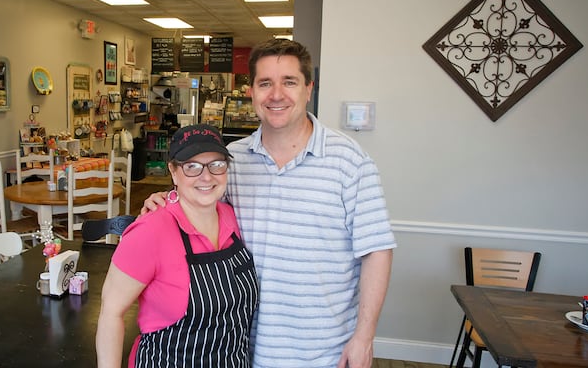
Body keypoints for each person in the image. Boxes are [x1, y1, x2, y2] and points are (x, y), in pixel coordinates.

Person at [142, 39, 396, 368]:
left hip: (323, 352)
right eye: (265, 83)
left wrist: (364, 336)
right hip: (238, 348)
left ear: (308, 88)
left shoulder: (350, 161)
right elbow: (200, 207)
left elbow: (377, 250)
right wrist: (164, 200)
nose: (276, 95)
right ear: (252, 93)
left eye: (289, 82)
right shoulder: (234, 161)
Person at [96, 123, 259, 368]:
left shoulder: (233, 218)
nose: (206, 176)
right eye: (191, 166)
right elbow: (111, 312)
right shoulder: (150, 231)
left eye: (216, 164)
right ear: (173, 171)